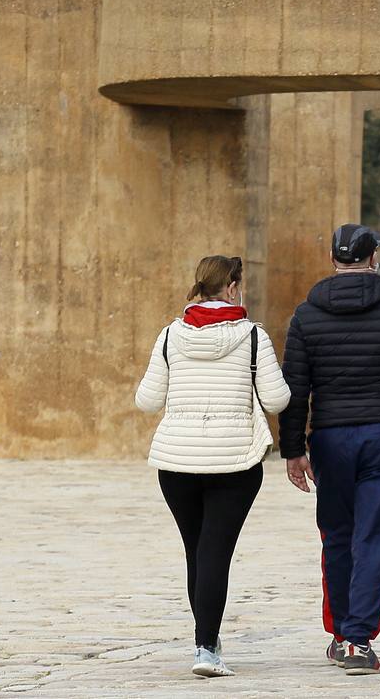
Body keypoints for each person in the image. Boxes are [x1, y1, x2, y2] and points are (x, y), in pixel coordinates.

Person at [279, 224, 380, 676]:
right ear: (373, 259)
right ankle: (358, 639)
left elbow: (294, 389)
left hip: (330, 438)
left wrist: (293, 449)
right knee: (373, 535)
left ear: (334, 260)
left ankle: (338, 633)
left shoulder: (306, 316)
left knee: (336, 535)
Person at [135, 255, 291, 678]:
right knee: (215, 553)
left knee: (197, 550)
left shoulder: (169, 335)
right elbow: (277, 400)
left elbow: (147, 401)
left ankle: (207, 639)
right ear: (233, 287)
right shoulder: (254, 337)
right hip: (234, 462)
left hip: (177, 463)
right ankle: (206, 649)